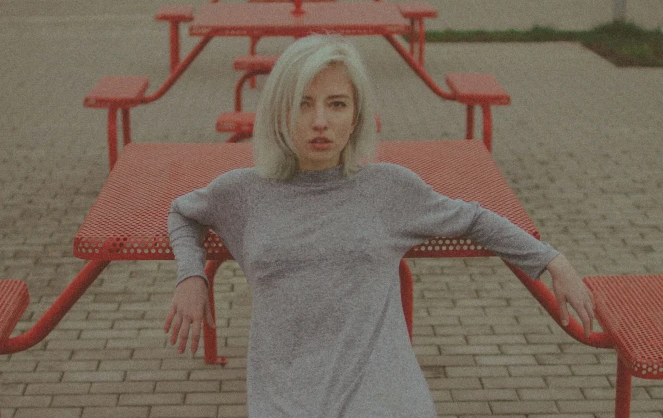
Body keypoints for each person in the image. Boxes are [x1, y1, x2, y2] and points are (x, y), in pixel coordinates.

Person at [164, 35, 595, 418]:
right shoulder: (243, 193)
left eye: (336, 104)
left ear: (355, 116)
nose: (320, 122)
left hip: (383, 394)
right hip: (285, 395)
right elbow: (183, 212)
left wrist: (552, 260)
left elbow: (474, 218)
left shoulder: (389, 188)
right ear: (278, 112)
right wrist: (191, 275)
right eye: (303, 103)